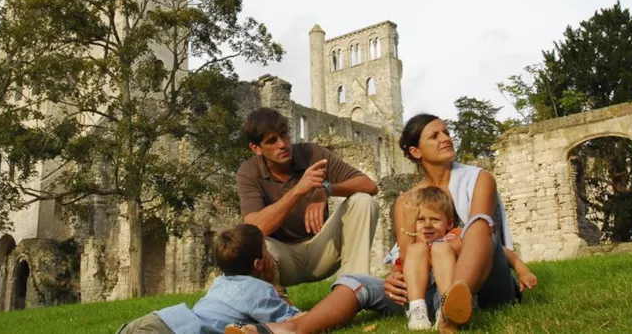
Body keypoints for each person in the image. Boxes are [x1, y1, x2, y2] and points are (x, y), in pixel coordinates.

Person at [225, 113, 534, 334]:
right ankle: (284, 328)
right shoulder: (406, 200)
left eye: (445, 132)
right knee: (355, 285)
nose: (446, 139)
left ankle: (455, 305)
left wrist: (325, 188)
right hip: (425, 290)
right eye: (435, 135)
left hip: (484, 284)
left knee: (478, 223)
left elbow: (484, 236)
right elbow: (408, 251)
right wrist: (395, 277)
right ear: (415, 152)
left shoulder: (480, 178)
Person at [236, 108, 380, 290]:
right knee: (248, 243)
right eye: (272, 141)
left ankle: (353, 292)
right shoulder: (248, 172)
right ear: (256, 148)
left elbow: (369, 185)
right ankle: (275, 304)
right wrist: (298, 191)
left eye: (284, 135)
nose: (282, 144)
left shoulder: (312, 154)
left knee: (363, 201)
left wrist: (325, 189)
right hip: (281, 257)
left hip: (322, 250)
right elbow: (255, 228)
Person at [115, 224, 303, 334]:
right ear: (259, 264)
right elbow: (295, 322)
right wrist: (276, 285)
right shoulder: (260, 290)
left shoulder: (220, 282)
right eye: (265, 250)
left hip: (161, 318)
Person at [398, 186, 537, 330]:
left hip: (457, 293)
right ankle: (417, 310)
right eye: (421, 220)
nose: (427, 225)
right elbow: (401, 270)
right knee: (415, 250)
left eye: (434, 219)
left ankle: (448, 308)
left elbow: (500, 250)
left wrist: (523, 271)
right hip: (427, 298)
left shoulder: (456, 235)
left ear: (449, 223)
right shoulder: (414, 246)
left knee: (441, 247)